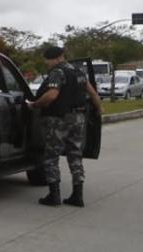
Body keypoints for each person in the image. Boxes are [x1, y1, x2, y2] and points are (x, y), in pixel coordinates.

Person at [27, 46, 102, 208]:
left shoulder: (57, 72)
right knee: (75, 155)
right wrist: (98, 110)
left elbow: (52, 95)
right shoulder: (78, 72)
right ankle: (77, 195)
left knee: (51, 156)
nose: (47, 64)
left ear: (54, 58)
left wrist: (35, 104)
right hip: (79, 118)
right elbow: (92, 93)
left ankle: (54, 195)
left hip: (60, 119)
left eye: (47, 61)